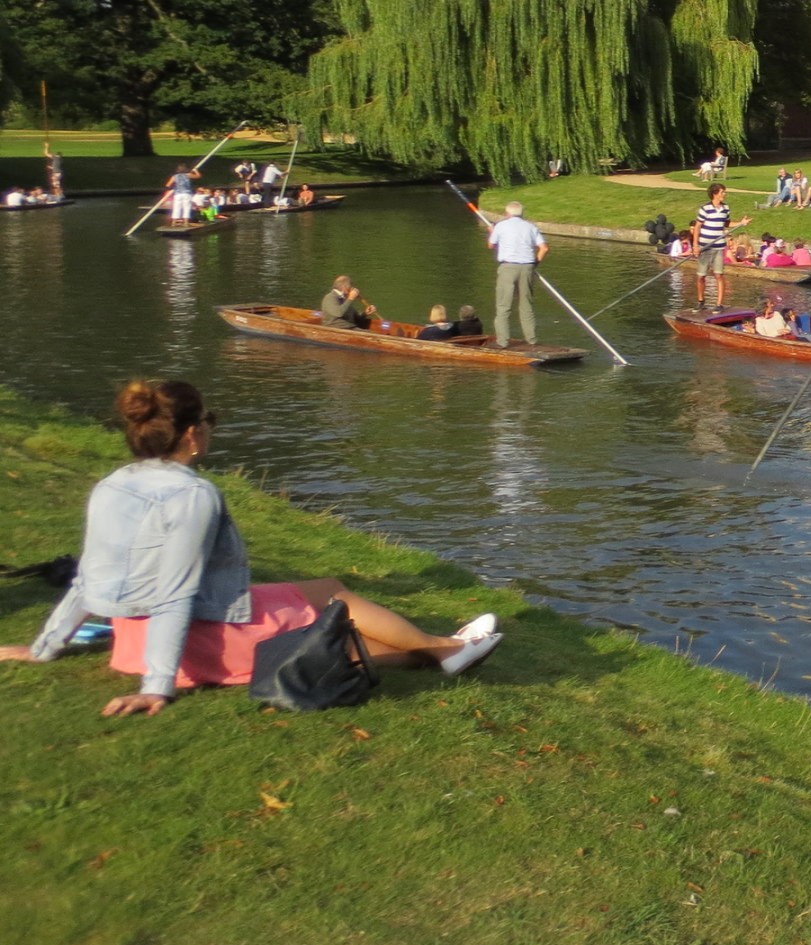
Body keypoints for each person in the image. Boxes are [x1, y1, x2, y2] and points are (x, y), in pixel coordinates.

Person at [1, 379, 501, 714]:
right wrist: (157, 687)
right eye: (210, 426)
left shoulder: (113, 483)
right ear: (194, 435)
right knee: (332, 594)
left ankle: (435, 653)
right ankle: (448, 647)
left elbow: (89, 577)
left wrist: (44, 648)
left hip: (133, 639)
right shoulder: (194, 494)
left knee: (333, 620)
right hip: (195, 643)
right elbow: (175, 593)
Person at [487, 198, 548, 348]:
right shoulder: (531, 227)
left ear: (507, 213)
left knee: (503, 305)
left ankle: (502, 342)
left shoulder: (501, 226)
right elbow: (544, 248)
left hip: (508, 268)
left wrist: (492, 232)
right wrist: (534, 264)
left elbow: (490, 245)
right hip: (527, 267)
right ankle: (532, 340)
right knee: (526, 305)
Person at [690, 184, 746, 297]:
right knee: (701, 276)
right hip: (705, 246)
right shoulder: (705, 209)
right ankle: (701, 300)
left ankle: (719, 304)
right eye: (722, 192)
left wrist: (741, 223)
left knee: (719, 275)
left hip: (719, 246)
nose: (724, 194)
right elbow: (697, 227)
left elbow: (727, 223)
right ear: (715, 194)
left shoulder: (726, 208)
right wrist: (695, 245)